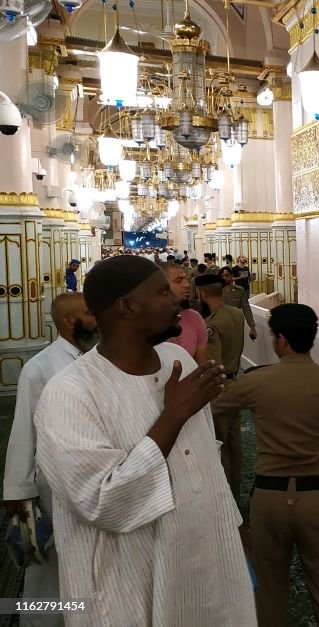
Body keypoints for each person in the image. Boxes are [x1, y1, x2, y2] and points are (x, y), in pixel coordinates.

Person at [33, 256, 256, 626]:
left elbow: (203, 464)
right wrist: (173, 415)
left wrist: (233, 533)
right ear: (127, 307)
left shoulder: (175, 359)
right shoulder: (70, 392)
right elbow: (104, 503)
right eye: (163, 292)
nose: (178, 300)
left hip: (207, 566)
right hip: (130, 584)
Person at [216, 304, 319, 627]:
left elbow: (212, 409)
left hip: (270, 498)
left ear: (280, 340)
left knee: (268, 590)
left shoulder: (256, 382)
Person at [4, 293, 98, 626]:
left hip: (94, 483)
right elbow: (23, 430)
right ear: (69, 321)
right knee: (47, 566)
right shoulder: (41, 367)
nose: (98, 317)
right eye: (91, 312)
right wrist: (18, 489)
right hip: (53, 485)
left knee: (88, 563)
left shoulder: (101, 357)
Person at [195, 273, 246, 501]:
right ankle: (235, 489)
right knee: (235, 444)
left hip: (220, 388)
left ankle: (224, 497)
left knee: (220, 444)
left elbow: (212, 365)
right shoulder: (236, 314)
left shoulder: (212, 325)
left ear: (202, 293)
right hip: (235, 381)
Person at [160, 261, 208, 364]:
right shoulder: (143, 322)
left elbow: (201, 365)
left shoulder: (193, 318)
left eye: (185, 279)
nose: (187, 285)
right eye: (178, 281)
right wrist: (162, 349)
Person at [220, 266, 258, 340]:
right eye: (222, 276)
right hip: (221, 325)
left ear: (231, 276)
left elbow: (246, 309)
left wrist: (252, 327)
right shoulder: (216, 291)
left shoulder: (239, 291)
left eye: (227, 275)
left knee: (236, 348)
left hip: (235, 324)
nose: (224, 278)